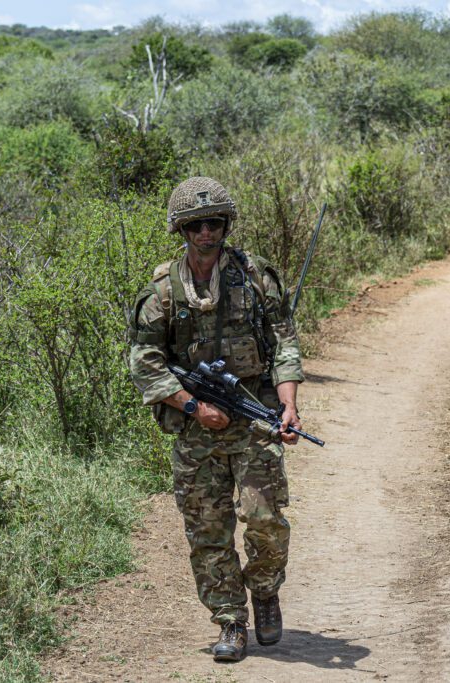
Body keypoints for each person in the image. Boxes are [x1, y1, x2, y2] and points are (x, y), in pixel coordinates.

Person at [128, 177, 305, 662]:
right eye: (196, 225)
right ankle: (230, 620)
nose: (207, 233)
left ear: (225, 225)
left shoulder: (254, 277)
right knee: (208, 530)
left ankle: (265, 593)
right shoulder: (163, 291)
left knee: (264, 517)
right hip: (195, 426)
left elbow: (285, 343)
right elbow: (144, 361)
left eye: (215, 223)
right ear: (181, 230)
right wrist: (191, 405)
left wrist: (287, 406)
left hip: (254, 417)